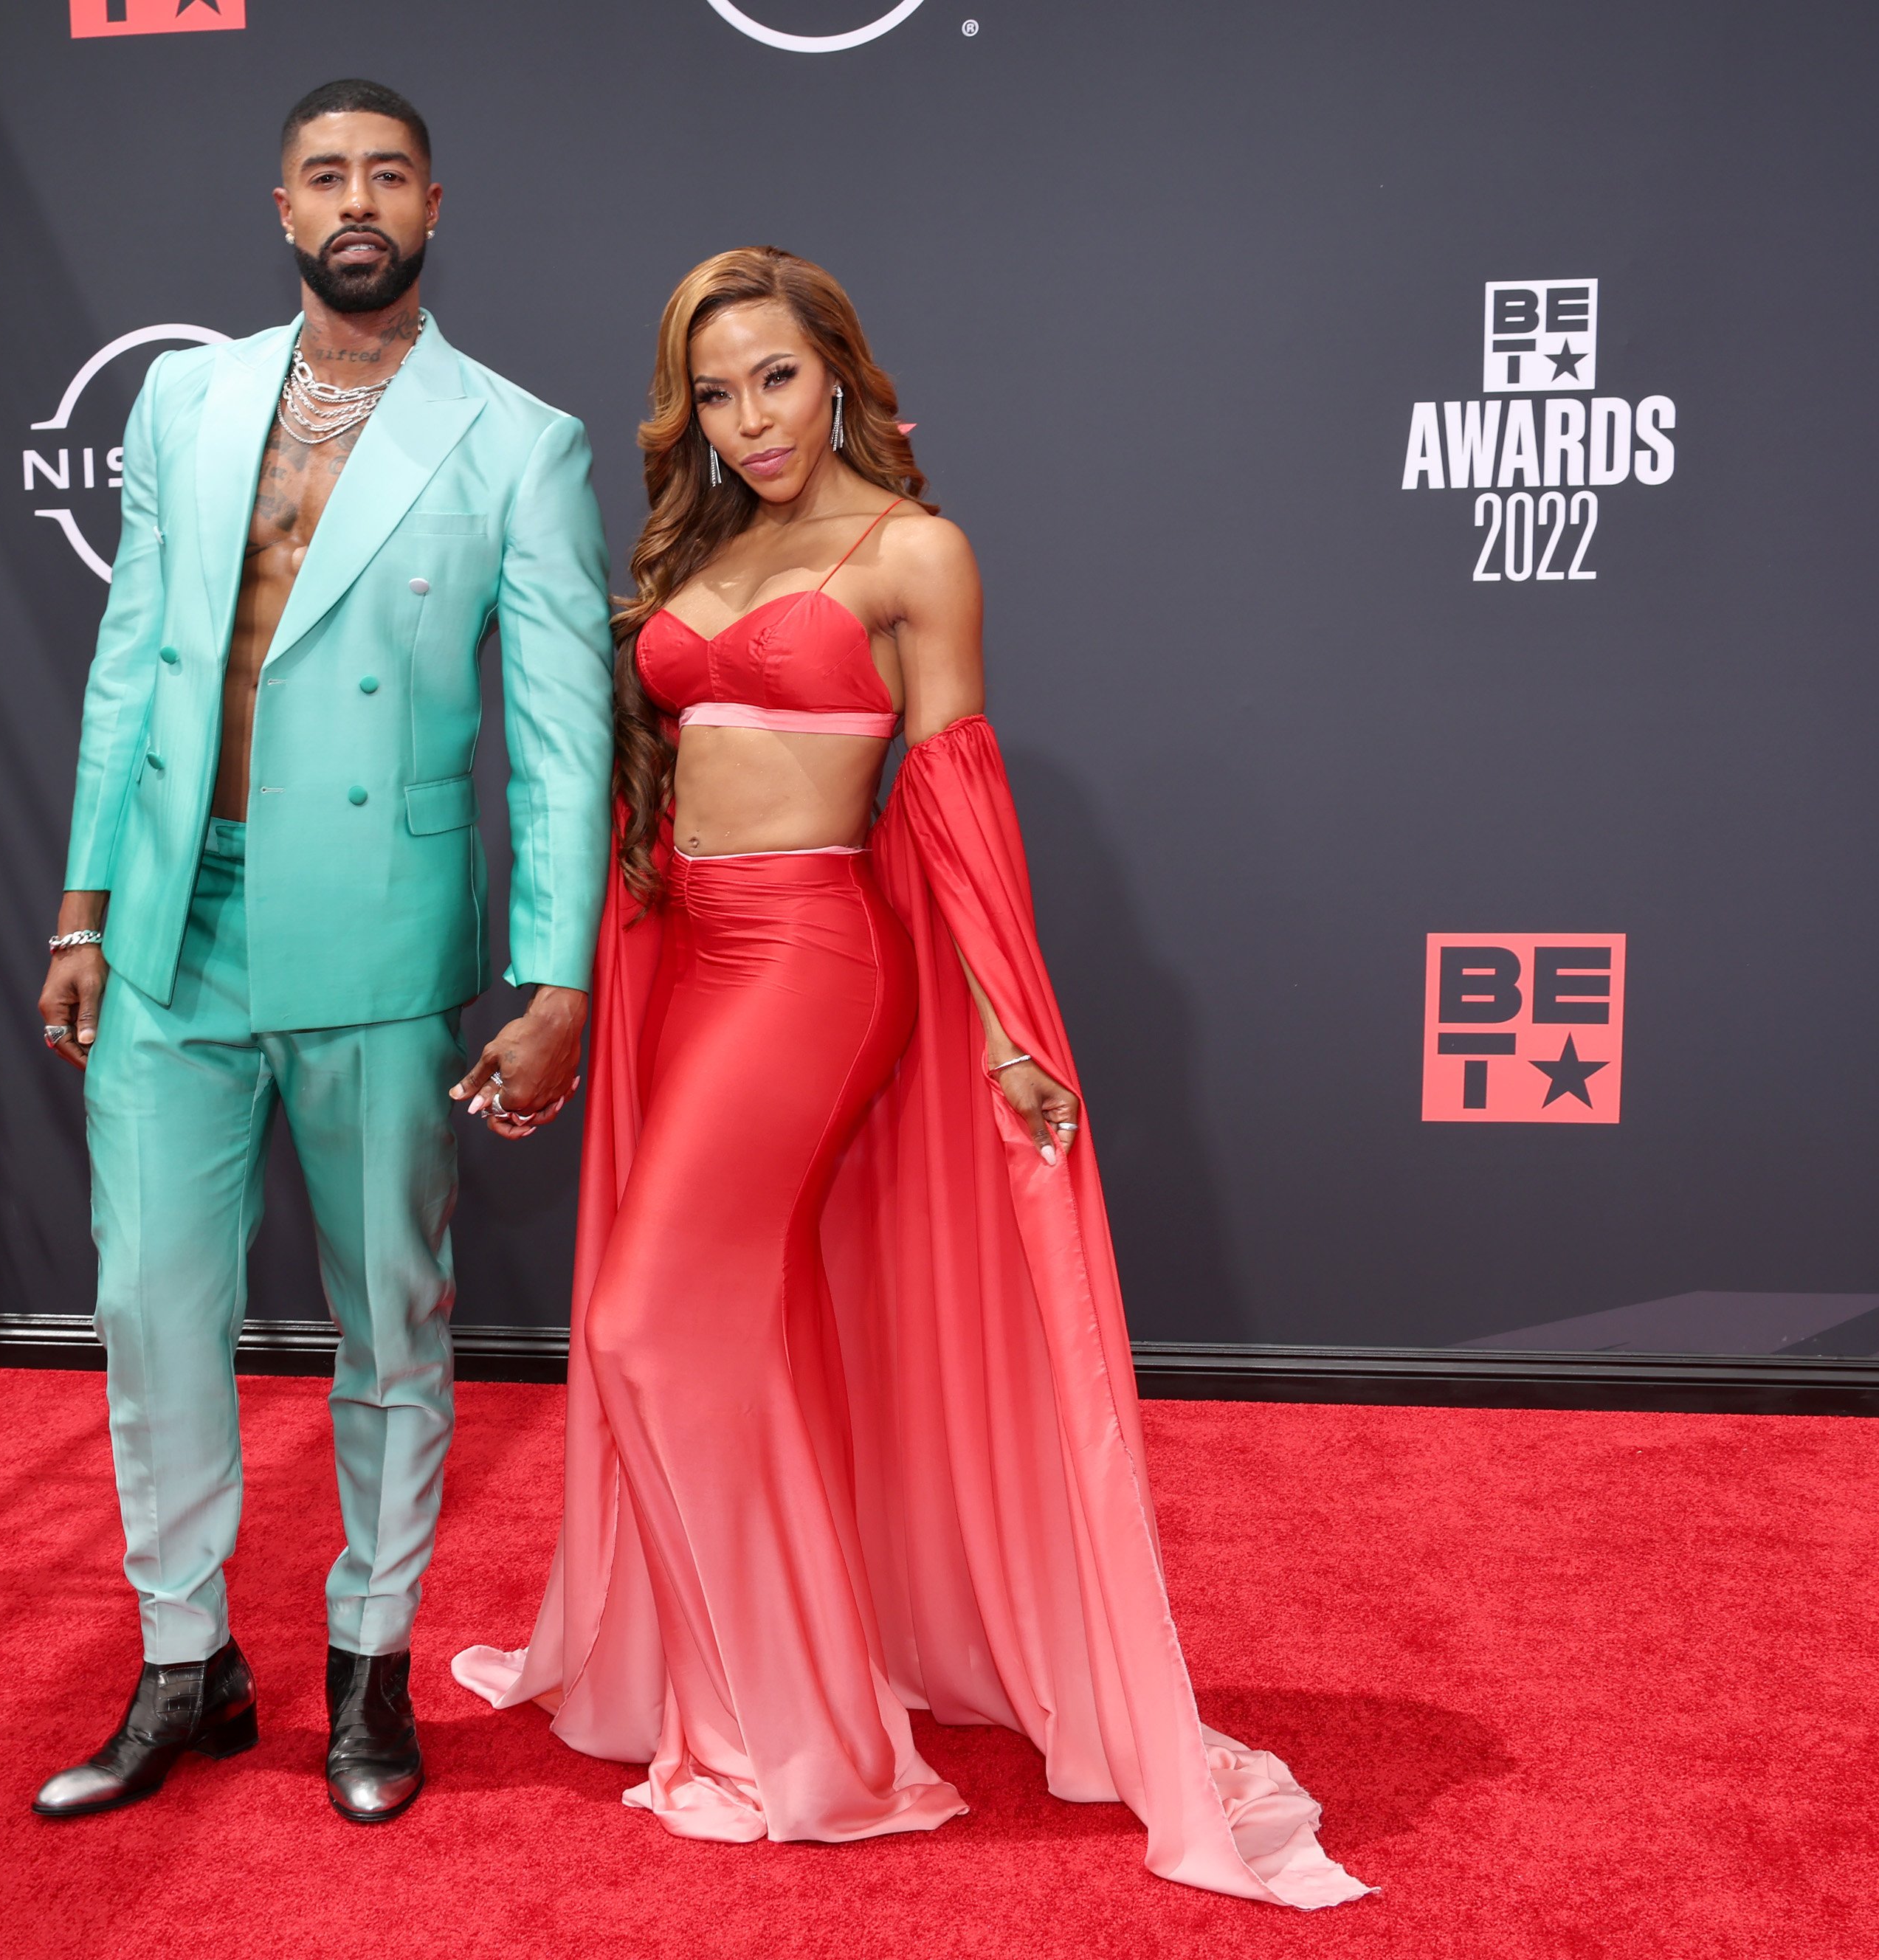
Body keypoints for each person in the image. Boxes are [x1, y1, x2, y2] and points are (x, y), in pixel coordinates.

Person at [452, 249, 1365, 1907]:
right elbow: (625, 791)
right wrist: (572, 995)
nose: (750, 421)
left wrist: (1014, 1023)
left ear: (843, 371)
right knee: (720, 1325)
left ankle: (802, 1742)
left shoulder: (915, 552)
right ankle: (764, 1691)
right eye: (717, 394)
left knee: (650, 1323)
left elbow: (949, 798)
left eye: (777, 379)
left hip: (816, 961)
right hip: (686, 958)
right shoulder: (701, 544)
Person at [32, 79, 611, 1825]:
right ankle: (185, 1661)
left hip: (376, 935)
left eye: (385, 174)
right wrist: (83, 906)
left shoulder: (521, 440)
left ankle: (371, 1666)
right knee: (152, 1309)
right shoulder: (182, 398)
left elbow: (567, 731)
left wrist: (556, 972)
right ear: (282, 210)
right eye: (323, 175)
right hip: (170, 928)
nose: (355, 199)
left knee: (391, 1319)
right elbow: (131, 662)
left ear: (436, 204)